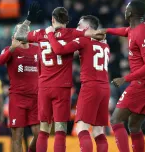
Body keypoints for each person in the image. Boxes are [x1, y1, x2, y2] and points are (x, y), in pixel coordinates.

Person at [14, 4, 101, 152]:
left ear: (53, 19)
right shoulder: (73, 33)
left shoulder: (41, 33)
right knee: (60, 129)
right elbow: (95, 34)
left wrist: (28, 19)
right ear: (67, 21)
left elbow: (18, 36)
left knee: (44, 130)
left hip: (44, 86)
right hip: (63, 87)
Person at [95, 0, 145, 152]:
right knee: (134, 125)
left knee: (115, 120)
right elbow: (125, 31)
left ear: (130, 13)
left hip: (144, 82)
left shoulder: (142, 33)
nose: (124, 11)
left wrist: (125, 78)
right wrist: (106, 30)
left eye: (126, 9)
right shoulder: (135, 28)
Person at [46, 15, 110, 152]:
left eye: (79, 25)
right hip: (105, 87)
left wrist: (50, 34)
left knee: (82, 128)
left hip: (90, 87)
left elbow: (59, 51)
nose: (76, 28)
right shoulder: (105, 44)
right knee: (99, 131)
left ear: (86, 28)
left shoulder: (83, 40)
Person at [0, 24, 40, 152]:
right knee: (17, 136)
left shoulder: (37, 49)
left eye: (26, 30)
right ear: (13, 36)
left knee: (40, 134)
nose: (24, 33)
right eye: (21, 31)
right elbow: (0, 61)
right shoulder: (10, 50)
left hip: (36, 98)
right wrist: (12, 48)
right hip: (18, 98)